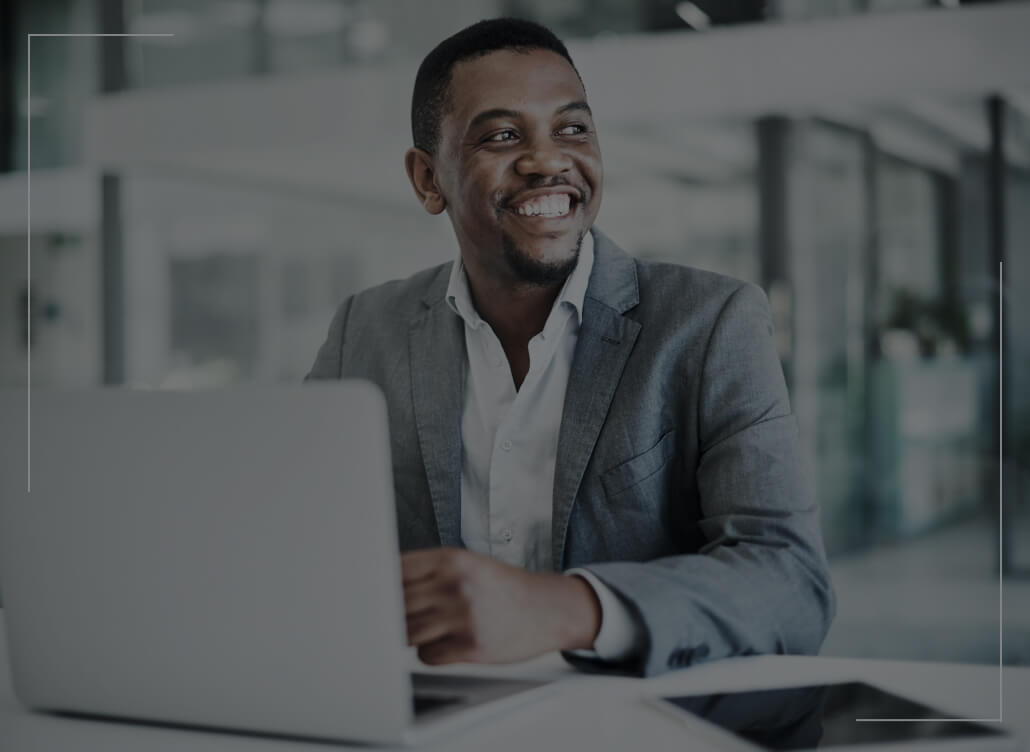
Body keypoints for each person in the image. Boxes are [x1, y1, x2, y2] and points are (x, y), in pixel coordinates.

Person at [307, 18, 835, 677]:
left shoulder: (709, 324)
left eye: (572, 129)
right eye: (502, 135)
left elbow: (791, 585)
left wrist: (565, 608)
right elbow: (295, 534)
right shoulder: (365, 329)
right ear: (427, 179)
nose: (548, 160)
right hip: (430, 718)